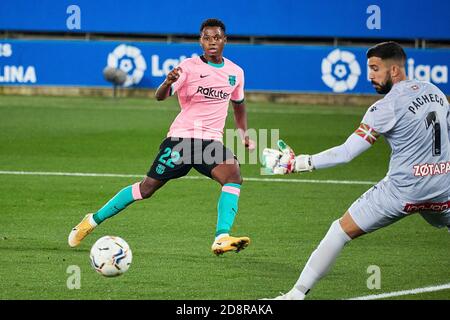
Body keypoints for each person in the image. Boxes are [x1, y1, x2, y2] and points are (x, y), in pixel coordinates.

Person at [263, 41, 450, 299]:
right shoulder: (437, 93)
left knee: (339, 231)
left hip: (401, 194)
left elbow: (347, 152)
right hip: (443, 189)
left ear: (394, 70)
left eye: (375, 68)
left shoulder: (385, 107)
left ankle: (295, 295)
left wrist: (300, 163)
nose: (370, 75)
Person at [68, 18, 255, 256]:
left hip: (210, 143)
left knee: (233, 176)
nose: (212, 42)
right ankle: (91, 221)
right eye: (207, 38)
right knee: (146, 189)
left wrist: (243, 132)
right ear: (200, 41)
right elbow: (160, 96)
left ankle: (221, 237)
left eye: (216, 38)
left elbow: (239, 103)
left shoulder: (235, 72)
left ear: (225, 40)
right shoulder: (188, 68)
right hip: (182, 140)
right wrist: (167, 82)